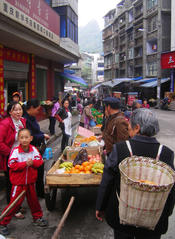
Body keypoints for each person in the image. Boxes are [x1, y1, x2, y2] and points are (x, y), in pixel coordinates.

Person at [96, 108, 175, 239]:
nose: (128, 130)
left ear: (137, 128)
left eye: (129, 127)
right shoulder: (166, 153)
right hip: (153, 220)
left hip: (123, 217)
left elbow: (107, 180)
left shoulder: (120, 149)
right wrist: (166, 213)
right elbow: (171, 189)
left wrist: (101, 206)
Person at [0, 128, 47, 236]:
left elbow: (39, 162)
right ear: (18, 139)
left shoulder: (34, 149)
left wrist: (33, 163)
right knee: (14, 204)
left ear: (31, 138)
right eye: (22, 137)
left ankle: (37, 218)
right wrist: (24, 164)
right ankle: (3, 223)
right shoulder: (15, 151)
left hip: (30, 182)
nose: (24, 140)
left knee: (34, 201)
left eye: (26, 137)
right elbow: (11, 164)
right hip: (18, 184)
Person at [0, 102, 26, 218]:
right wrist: (11, 154)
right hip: (10, 157)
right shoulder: (5, 124)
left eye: (20, 109)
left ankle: (18, 205)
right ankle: (12, 209)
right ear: (10, 112)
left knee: (20, 182)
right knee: (12, 183)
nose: (18, 112)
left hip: (21, 156)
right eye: (15, 110)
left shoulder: (22, 121)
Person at [23, 99, 50, 198]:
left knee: (40, 169)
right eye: (37, 109)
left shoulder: (32, 118)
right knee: (35, 171)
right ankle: (34, 193)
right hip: (31, 149)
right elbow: (30, 136)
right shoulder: (25, 120)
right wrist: (42, 136)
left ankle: (39, 191)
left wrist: (42, 134)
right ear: (31, 108)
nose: (38, 112)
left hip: (37, 148)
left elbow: (37, 131)